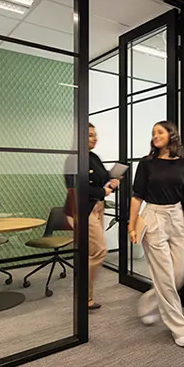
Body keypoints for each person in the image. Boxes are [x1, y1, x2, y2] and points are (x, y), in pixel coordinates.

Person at [128, 121, 184, 348]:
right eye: (153, 133)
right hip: (153, 216)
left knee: (178, 275)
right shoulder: (146, 164)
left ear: (172, 135)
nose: (155, 135)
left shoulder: (182, 165)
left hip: (177, 216)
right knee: (164, 276)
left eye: (160, 132)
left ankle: (147, 303)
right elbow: (137, 196)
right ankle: (179, 328)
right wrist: (131, 225)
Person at [66, 124, 119, 310]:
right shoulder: (73, 159)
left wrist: (112, 182)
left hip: (98, 207)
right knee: (99, 251)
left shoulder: (94, 157)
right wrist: (102, 191)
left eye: (95, 135)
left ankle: (85, 292)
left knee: (91, 252)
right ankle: (84, 295)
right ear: (79, 137)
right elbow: (75, 188)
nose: (95, 138)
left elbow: (103, 179)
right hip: (82, 209)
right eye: (90, 135)